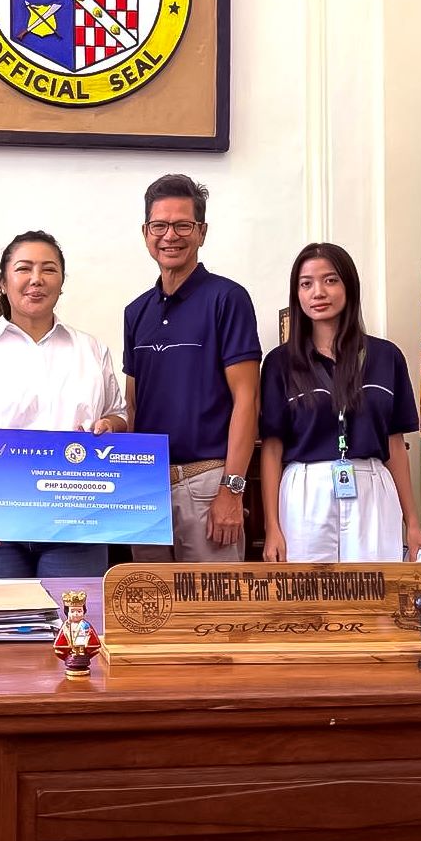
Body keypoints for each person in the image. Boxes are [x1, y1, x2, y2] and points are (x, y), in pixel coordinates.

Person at [0, 230, 126, 578]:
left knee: (74, 625)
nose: (36, 279)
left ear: (61, 282)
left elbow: (119, 413)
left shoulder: (91, 350)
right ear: (4, 281)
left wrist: (110, 425)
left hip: (77, 513)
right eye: (24, 268)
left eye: (48, 270)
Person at [259, 243, 421, 563]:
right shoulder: (280, 363)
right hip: (305, 490)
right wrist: (272, 527)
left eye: (330, 280)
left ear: (349, 286)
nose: (318, 292)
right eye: (306, 283)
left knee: (376, 594)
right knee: (307, 600)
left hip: (371, 486)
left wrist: (413, 523)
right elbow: (272, 448)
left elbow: (395, 445)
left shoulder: (386, 357)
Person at [125, 174, 261, 563]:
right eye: (160, 226)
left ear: (201, 232)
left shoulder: (228, 299)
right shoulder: (136, 312)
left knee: (214, 618)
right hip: (146, 490)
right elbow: (135, 408)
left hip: (207, 483)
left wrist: (231, 490)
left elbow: (247, 400)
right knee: (151, 616)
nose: (171, 235)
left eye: (183, 225)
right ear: (145, 232)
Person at [53, 589, 102, 678]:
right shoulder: (66, 626)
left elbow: (95, 644)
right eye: (72, 611)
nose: (76, 614)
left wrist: (86, 647)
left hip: (83, 653)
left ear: (84, 612)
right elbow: (59, 644)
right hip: (71, 653)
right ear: (67, 612)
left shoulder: (86, 626)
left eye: (79, 611)